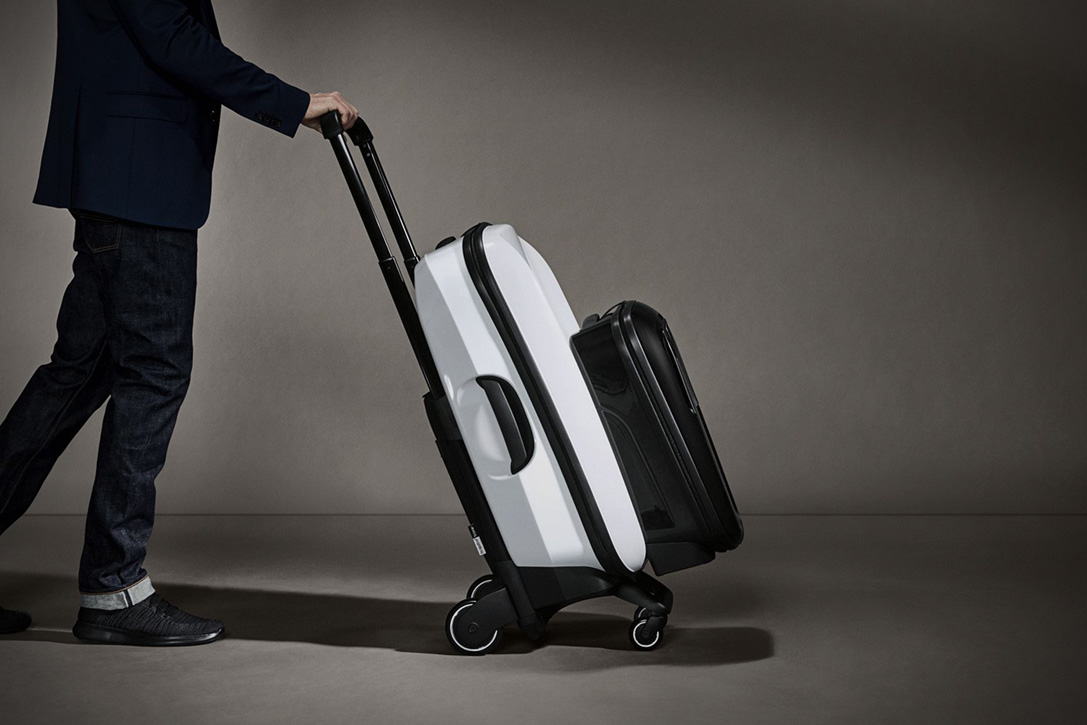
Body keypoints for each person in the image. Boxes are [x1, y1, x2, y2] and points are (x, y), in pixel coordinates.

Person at [0, 0, 358, 646]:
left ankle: (111, 584)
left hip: (118, 173)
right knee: (153, 372)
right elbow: (171, 35)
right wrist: (293, 102)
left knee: (76, 374)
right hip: (138, 182)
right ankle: (113, 588)